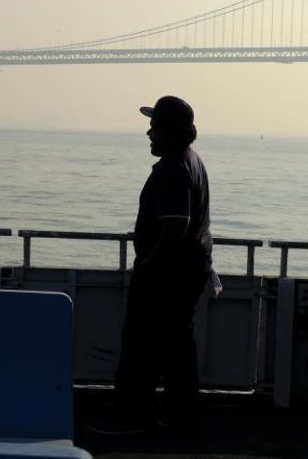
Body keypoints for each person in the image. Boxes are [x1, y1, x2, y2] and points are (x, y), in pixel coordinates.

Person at [99, 95, 213, 435]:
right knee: (178, 349)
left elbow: (175, 225)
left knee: (140, 349)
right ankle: (181, 421)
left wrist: (149, 265)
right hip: (189, 269)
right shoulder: (193, 162)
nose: (148, 133)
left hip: (166, 275)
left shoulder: (173, 170)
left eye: (154, 128)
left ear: (171, 132)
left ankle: (133, 420)